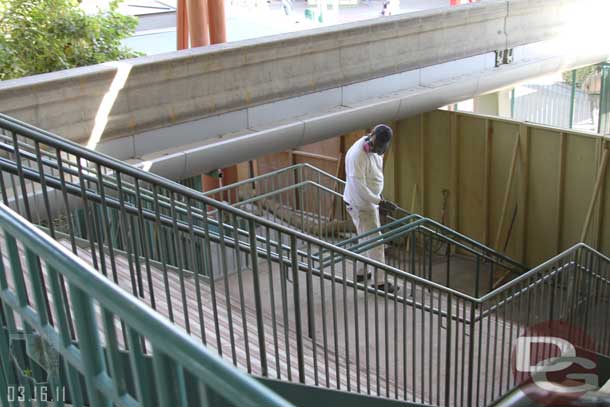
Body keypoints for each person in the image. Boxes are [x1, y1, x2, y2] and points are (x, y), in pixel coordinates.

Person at [343, 124, 399, 293]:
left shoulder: (375, 151)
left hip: (367, 202)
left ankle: (361, 272)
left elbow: (373, 176)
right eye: (376, 146)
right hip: (362, 205)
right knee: (377, 243)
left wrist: (378, 199)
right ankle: (380, 283)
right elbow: (359, 186)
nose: (377, 150)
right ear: (371, 136)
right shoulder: (358, 155)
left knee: (364, 238)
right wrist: (378, 202)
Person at [583, 66, 602, 132]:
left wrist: (588, 92)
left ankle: (594, 124)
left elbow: (585, 85)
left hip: (592, 94)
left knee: (593, 110)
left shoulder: (591, 76)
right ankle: (597, 125)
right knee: (598, 110)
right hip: (600, 95)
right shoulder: (603, 76)